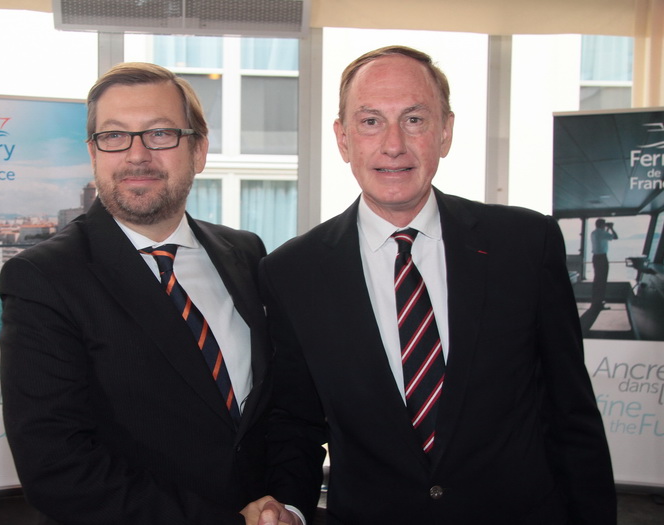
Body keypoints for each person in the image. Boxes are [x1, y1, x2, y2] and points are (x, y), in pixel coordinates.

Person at [256, 46, 616, 524]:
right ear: (342, 139)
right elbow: (295, 422)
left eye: (414, 120)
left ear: (445, 131)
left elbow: (571, 413)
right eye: (369, 122)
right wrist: (292, 508)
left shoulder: (525, 245)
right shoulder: (291, 272)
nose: (393, 145)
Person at [0, 62, 284, 525]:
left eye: (160, 134)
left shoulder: (245, 253)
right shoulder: (43, 278)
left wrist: (284, 503)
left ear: (199, 150)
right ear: (93, 154)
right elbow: (56, 467)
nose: (136, 155)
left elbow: (277, 407)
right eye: (113, 136)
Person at [590, 218, 618, 309]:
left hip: (595, 258)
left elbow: (605, 238)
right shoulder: (602, 233)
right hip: (602, 258)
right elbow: (615, 237)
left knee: (597, 280)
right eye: (605, 224)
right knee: (602, 280)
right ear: (602, 225)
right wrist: (611, 228)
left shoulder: (594, 233)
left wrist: (607, 228)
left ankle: (595, 302)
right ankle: (599, 304)